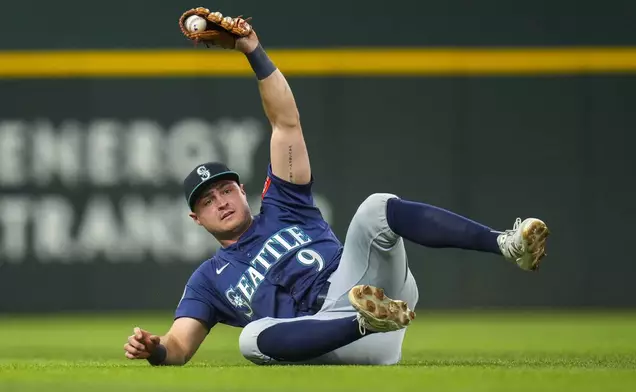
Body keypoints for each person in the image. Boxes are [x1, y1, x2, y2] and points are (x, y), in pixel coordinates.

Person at [123, 25, 549, 366]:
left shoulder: (283, 204)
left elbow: (285, 124)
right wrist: (154, 350)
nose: (220, 200)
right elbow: (178, 346)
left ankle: (506, 244)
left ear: (241, 190)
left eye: (225, 188)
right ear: (197, 218)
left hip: (365, 285)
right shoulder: (208, 280)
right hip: (339, 338)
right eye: (206, 200)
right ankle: (369, 322)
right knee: (251, 340)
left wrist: (252, 50)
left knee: (376, 207)